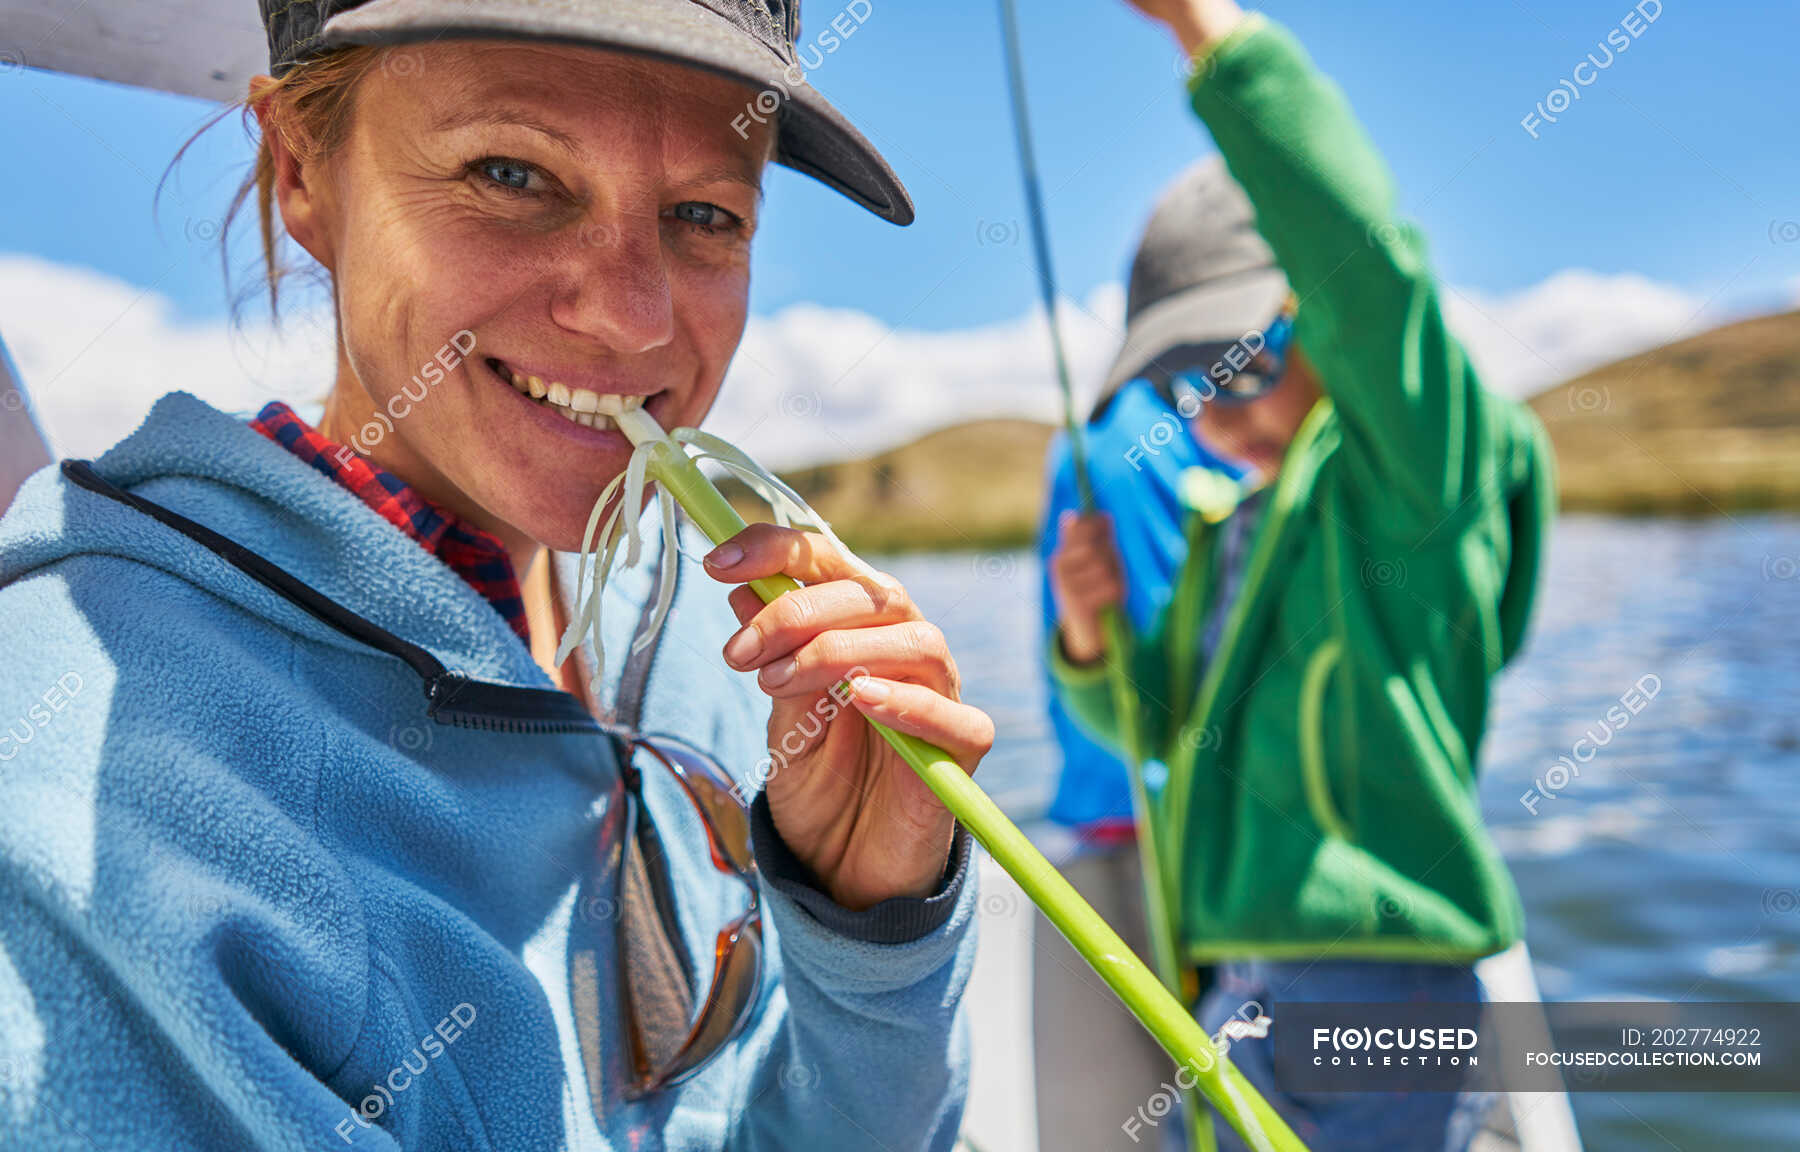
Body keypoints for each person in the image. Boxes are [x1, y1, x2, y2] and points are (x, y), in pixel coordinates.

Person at [0, 2, 995, 1148]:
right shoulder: (84, 814)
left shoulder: (712, 645)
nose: (631, 316)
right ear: (301, 170)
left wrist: (872, 939)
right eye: (514, 173)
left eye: (704, 213)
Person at [1047, 2, 1556, 1148]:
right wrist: (1091, 641)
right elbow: (1152, 725)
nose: (1214, 414)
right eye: (1180, 384)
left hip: (1376, 1000)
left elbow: (1370, 268)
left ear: (1320, 322)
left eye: (1242, 361)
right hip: (1242, 993)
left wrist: (1209, 33)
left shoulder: (1409, 481)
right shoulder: (1230, 522)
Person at [1031, 378, 1247, 1152]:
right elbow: (1181, 701)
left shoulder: (1084, 444)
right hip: (1188, 840)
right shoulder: (1214, 438)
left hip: (1096, 821)